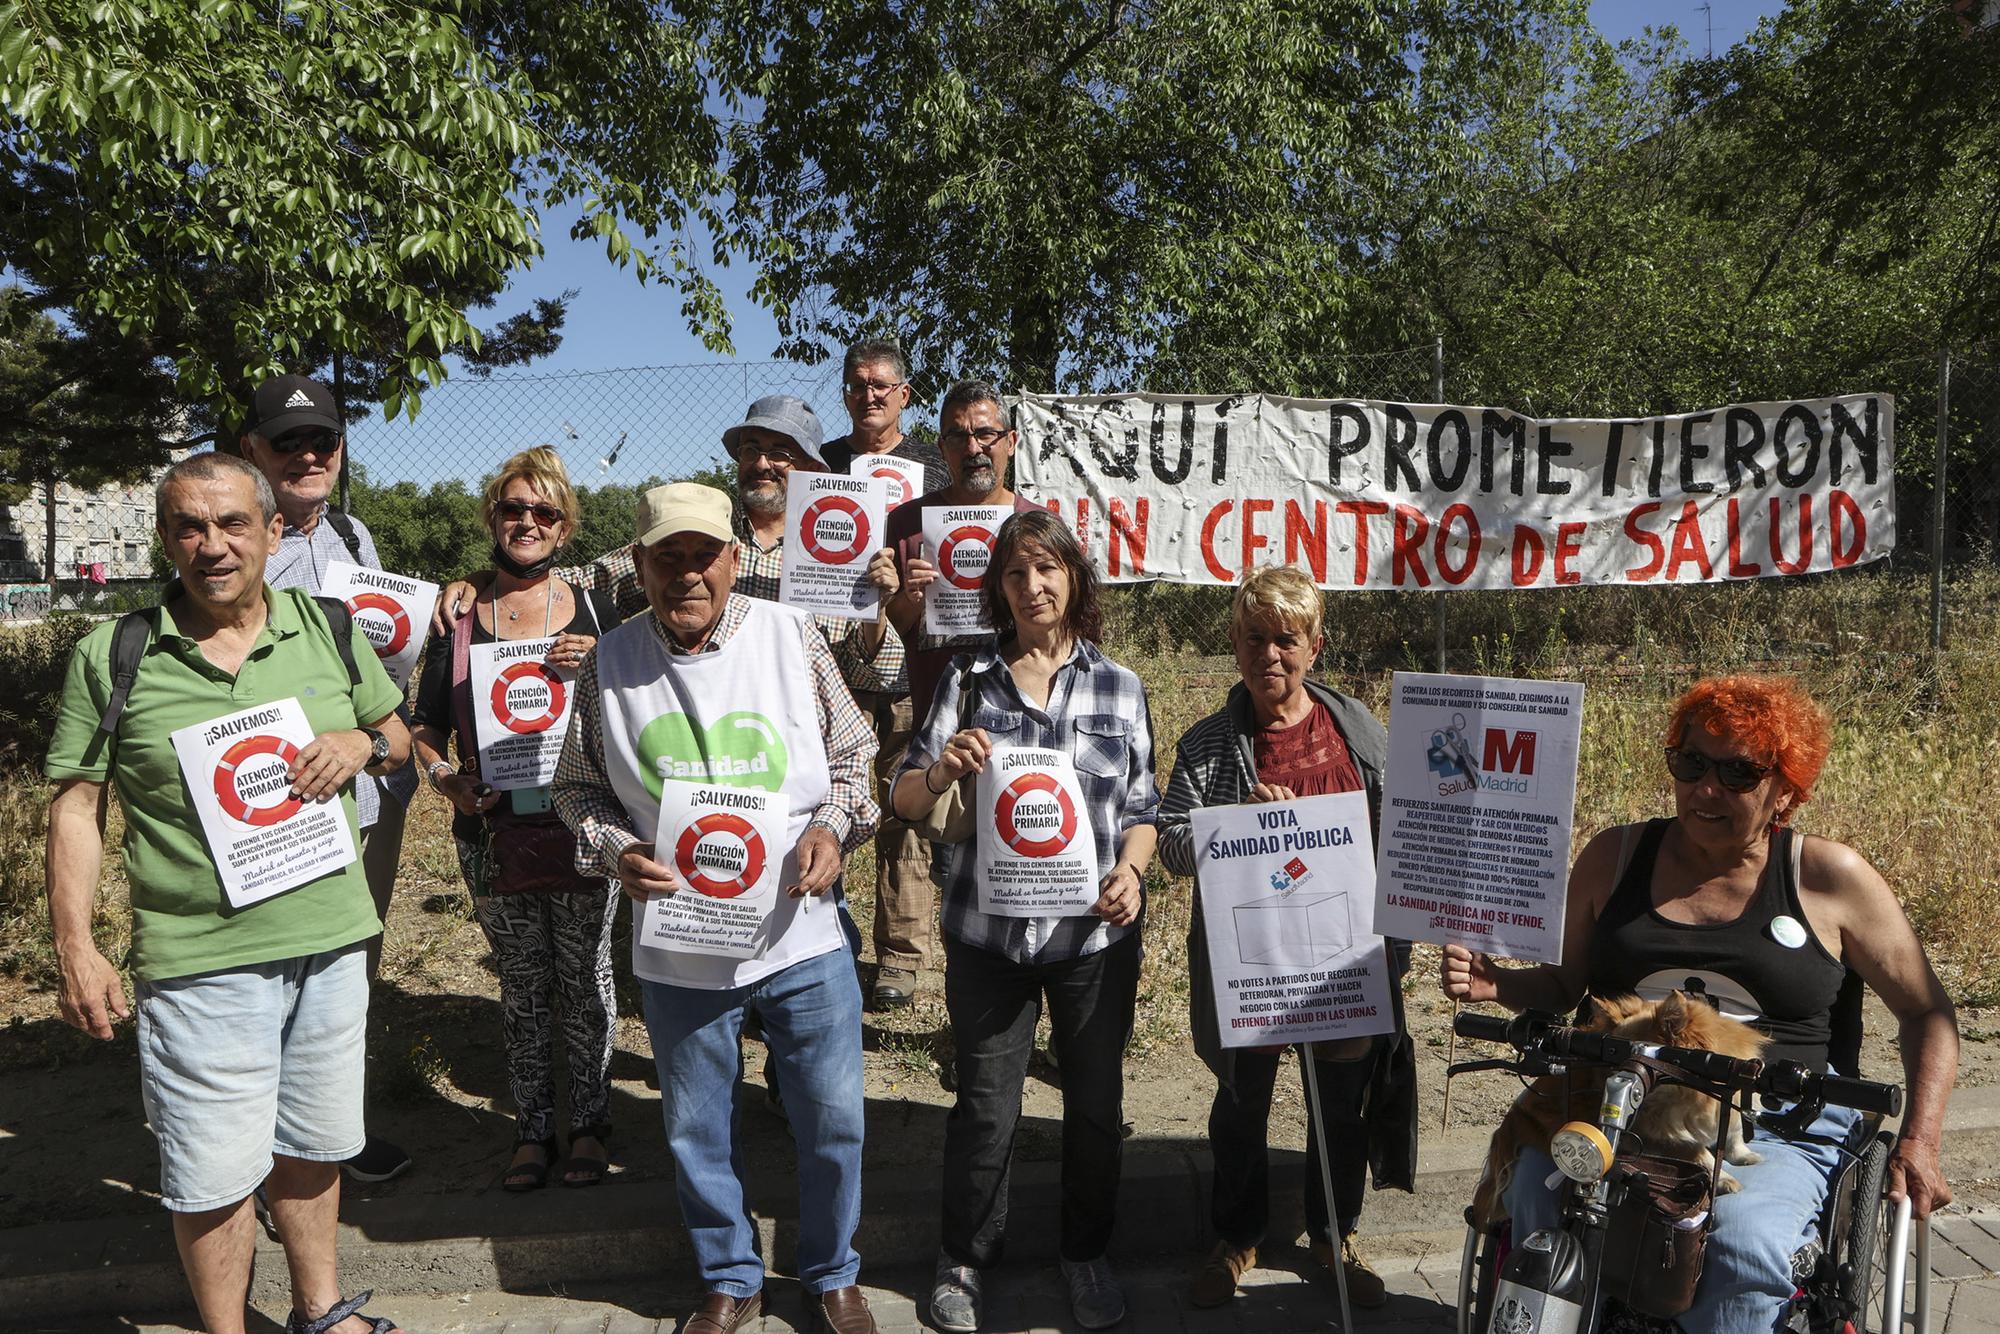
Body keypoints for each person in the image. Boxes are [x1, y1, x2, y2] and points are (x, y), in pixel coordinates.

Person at [1441, 673, 1960, 1334]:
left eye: (1738, 772)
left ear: (1785, 788)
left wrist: (1921, 1137)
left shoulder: (1830, 879)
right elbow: (1562, 989)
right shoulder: (1614, 858)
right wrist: (1497, 984)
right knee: (1542, 1194)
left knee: (1741, 1241)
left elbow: (1928, 1014)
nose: (1706, 789)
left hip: (1773, 1121)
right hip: (1616, 1100)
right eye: (1690, 763)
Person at [45, 453, 412, 1334]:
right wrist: (76, 945)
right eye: (189, 527)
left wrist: (359, 746)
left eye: (232, 523)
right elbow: (76, 806)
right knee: (211, 1170)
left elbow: (395, 734)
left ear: (273, 531)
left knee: (317, 1143)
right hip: (201, 960)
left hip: (329, 938)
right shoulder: (116, 653)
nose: (212, 545)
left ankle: (320, 1311)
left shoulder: (326, 626)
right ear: (166, 540)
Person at [551, 482, 882, 1334]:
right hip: (682, 942)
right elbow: (577, 790)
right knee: (697, 1127)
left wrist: (836, 831)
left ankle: (832, 1270)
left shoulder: (788, 635)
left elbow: (855, 758)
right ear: (640, 565)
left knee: (834, 1117)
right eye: (669, 557)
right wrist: (614, 850)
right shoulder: (609, 663)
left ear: (736, 559)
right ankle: (732, 1276)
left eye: (705, 555)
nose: (687, 574)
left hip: (800, 930)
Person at [890, 508, 1160, 1333]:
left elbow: (1144, 805)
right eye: (1015, 574)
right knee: (985, 1108)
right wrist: (941, 771)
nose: (1033, 586)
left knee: (1094, 1105)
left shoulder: (1120, 684)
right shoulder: (969, 679)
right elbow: (901, 798)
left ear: (1075, 577)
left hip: (1092, 942)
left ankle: (1085, 1256)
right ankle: (964, 1262)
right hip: (989, 939)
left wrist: (1133, 873)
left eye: (1047, 569)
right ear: (998, 589)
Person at [1156, 564, 1416, 1312]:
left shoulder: (1357, 729)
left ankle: (1336, 1234)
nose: (1271, 655)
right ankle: (1235, 1239)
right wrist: (1235, 820)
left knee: (1342, 1104)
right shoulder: (1207, 746)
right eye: (1256, 639)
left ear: (1316, 647)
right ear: (1235, 645)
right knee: (1242, 1104)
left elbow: (1401, 829)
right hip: (1254, 963)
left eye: (1287, 641)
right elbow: (1170, 845)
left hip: (1347, 956)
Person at [408, 447, 621, 1192]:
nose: (525, 522)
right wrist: (445, 779)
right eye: (511, 509)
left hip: (585, 831)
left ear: (564, 529)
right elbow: (425, 727)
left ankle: (589, 1125)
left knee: (588, 983)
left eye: (543, 512)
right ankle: (532, 1130)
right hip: (494, 835)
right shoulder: (460, 619)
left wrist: (600, 663)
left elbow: (645, 701)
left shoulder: (600, 611)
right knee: (523, 987)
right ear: (491, 518)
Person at [240, 372, 418, 1184]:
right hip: (273, 803)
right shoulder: (237, 542)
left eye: (324, 441)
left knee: (349, 971)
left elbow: (376, 658)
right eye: (288, 442)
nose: (309, 455)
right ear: (253, 451)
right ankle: (264, 1160)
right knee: (273, 980)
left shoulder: (352, 535)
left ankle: (332, 1138)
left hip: (368, 789)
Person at [815, 342, 947, 1011]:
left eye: (881, 385)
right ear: (844, 393)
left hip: (907, 663)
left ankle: (900, 960)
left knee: (902, 812)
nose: (868, 394)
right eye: (856, 385)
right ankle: (827, 945)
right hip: (832, 665)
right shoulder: (822, 466)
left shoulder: (932, 468)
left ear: (906, 393)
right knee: (825, 807)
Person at [881, 378, 1043, 733]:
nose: (973, 448)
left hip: (1022, 722)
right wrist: (910, 599)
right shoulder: (905, 524)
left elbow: (1063, 629)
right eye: (958, 437)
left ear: (1011, 442)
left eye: (986, 434)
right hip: (936, 727)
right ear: (942, 448)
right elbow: (887, 629)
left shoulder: (1040, 526)